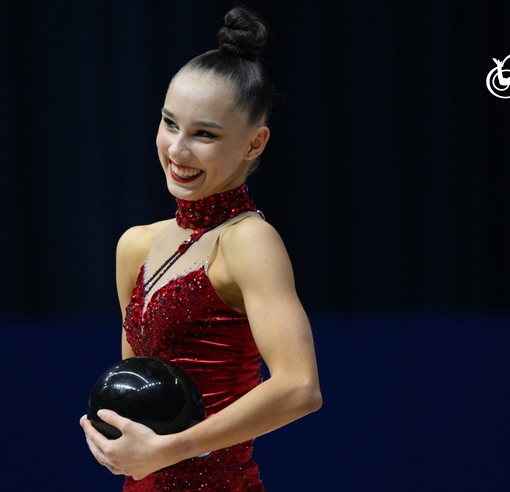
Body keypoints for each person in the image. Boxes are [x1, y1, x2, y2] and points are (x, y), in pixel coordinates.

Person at [80, 7, 322, 491]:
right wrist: (116, 440)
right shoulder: (137, 245)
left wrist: (171, 449)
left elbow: (300, 388)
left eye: (204, 134)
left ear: (255, 144)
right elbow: (138, 391)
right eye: (170, 123)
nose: (177, 150)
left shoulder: (248, 241)